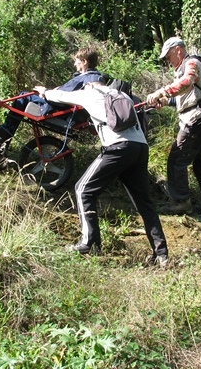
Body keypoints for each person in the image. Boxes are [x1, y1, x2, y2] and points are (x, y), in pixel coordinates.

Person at [33, 80, 169, 266]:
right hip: (140, 147)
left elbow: (61, 96)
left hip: (118, 147)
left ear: (90, 85)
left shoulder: (90, 93)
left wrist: (44, 91)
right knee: (144, 202)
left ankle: (90, 242)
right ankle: (161, 255)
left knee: (83, 189)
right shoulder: (123, 95)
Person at [146, 37, 201, 215]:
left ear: (178, 50)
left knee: (176, 159)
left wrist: (161, 91)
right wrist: (164, 101)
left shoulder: (192, 63)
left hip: (197, 119)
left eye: (168, 56)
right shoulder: (182, 68)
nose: (167, 60)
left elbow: (187, 82)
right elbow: (185, 98)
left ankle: (181, 202)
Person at [0, 46, 105, 143]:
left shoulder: (89, 79)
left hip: (57, 111)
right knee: (26, 95)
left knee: (24, 96)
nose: (74, 64)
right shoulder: (92, 77)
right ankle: (4, 138)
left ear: (84, 62)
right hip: (60, 107)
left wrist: (45, 93)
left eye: (77, 61)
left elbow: (66, 97)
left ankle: (5, 131)